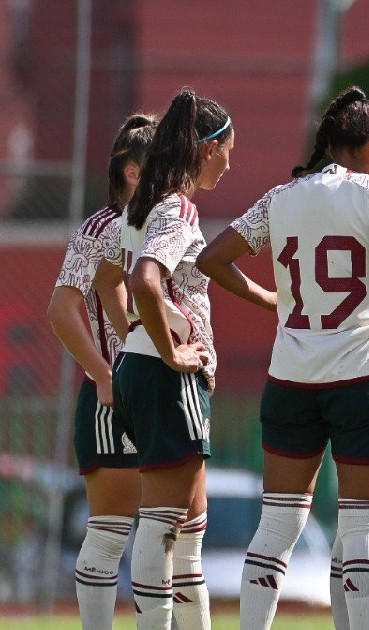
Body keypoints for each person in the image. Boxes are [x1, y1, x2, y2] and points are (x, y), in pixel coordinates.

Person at [196, 87, 369, 630]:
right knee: (362, 534)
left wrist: (264, 297)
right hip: (362, 377)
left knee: (276, 527)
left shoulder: (282, 197)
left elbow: (211, 257)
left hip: (292, 377)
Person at [92, 88, 232, 630]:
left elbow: (111, 277)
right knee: (165, 523)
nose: (229, 161)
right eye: (226, 149)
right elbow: (144, 278)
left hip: (137, 366)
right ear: (205, 148)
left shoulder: (144, 203)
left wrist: (134, 334)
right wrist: (170, 349)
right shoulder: (176, 204)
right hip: (161, 373)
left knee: (189, 525)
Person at [48, 113, 155, 629]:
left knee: (174, 528)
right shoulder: (103, 227)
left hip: (171, 390)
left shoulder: (173, 223)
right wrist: (104, 373)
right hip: (116, 398)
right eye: (162, 163)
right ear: (133, 171)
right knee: (113, 530)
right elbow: (62, 307)